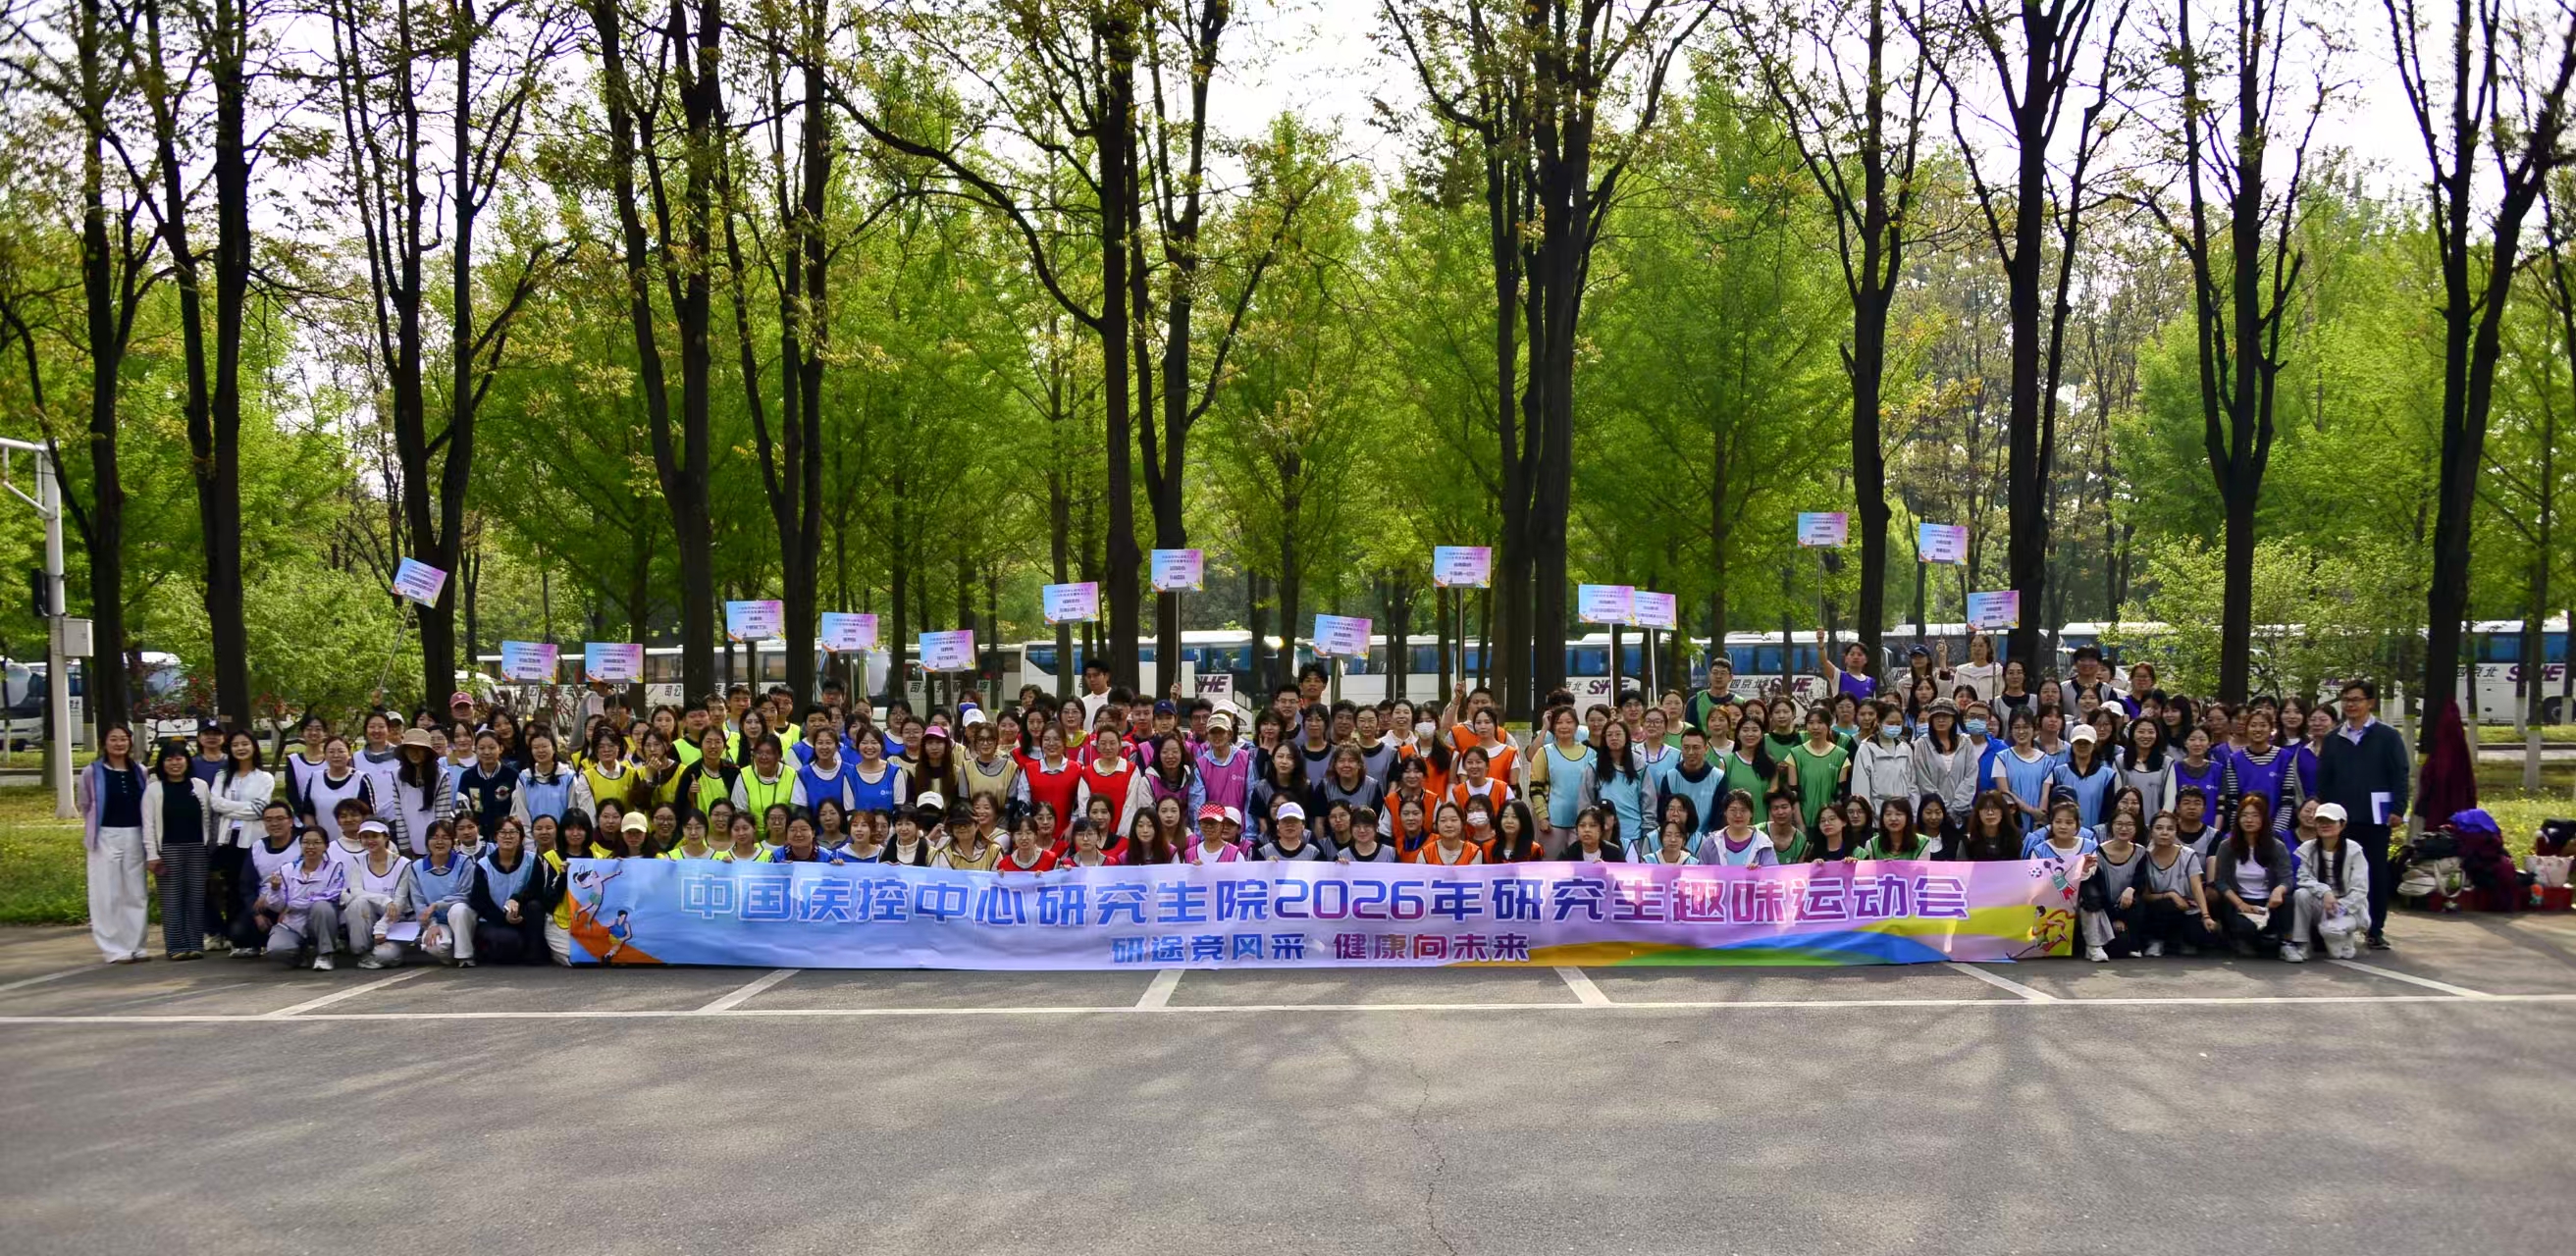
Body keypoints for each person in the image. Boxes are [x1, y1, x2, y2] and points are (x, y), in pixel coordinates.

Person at [2313, 680, 2408, 951]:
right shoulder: (2333, 738)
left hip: (2375, 817)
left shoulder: (2387, 736)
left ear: (2370, 703)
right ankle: (2336, 926)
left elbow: (2400, 774)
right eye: (2346, 700)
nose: (2350, 705)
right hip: (2340, 820)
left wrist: (2398, 809)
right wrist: (2324, 813)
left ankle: (2375, 929)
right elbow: (2324, 779)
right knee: (2336, 873)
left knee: (2375, 873)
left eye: (2356, 699)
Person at [77, 724, 152, 964]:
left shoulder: (140, 771)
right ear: (104, 742)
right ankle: (113, 948)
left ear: (130, 742)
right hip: (105, 836)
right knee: (107, 892)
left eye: (123, 739)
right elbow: (86, 804)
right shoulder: (92, 772)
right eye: (113, 739)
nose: (119, 744)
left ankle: (136, 945)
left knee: (136, 892)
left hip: (135, 834)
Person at [141, 743, 216, 961]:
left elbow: (209, 819)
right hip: (168, 850)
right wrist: (152, 855)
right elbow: (148, 825)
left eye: (179, 758)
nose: (175, 763)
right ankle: (176, 947)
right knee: (172, 900)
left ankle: (195, 945)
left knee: (196, 899)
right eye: (169, 759)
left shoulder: (200, 786)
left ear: (187, 761)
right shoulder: (154, 790)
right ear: (162, 764)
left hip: (197, 849)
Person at [2209, 795, 2296, 958]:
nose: (2249, 820)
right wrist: (2241, 903)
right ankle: (2239, 939)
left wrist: (2279, 890)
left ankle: (2287, 943)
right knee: (2247, 928)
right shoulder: (2227, 846)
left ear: (2263, 819)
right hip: (2240, 901)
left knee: (2289, 901)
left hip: (2268, 902)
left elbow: (2287, 877)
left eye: (2255, 815)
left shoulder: (2277, 846)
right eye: (2244, 815)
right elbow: (2220, 881)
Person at [2289, 802, 2371, 962]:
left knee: (2334, 946)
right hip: (2323, 902)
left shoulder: (2354, 850)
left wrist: (2339, 907)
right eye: (2320, 821)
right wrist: (2325, 891)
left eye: (2330, 821)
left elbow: (2360, 889)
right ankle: (2303, 944)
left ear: (2342, 824)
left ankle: (2344, 937)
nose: (2324, 825)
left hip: (2349, 908)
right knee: (2301, 894)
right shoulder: (2308, 848)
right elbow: (2303, 878)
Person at [257, 826, 347, 969]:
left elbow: (332, 895)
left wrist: (292, 905)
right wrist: (275, 890)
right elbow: (277, 906)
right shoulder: (287, 869)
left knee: (321, 906)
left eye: (316, 842)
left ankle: (325, 954)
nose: (310, 847)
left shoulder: (335, 867)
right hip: (293, 923)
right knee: (276, 950)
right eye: (306, 842)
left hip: (320, 920)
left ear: (326, 846)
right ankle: (304, 955)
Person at [2136, 812, 2217, 957]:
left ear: (2176, 832)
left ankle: (2180, 940)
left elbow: (2197, 887)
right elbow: (2146, 895)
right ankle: (2157, 940)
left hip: (2188, 907)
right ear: (2151, 832)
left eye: (2170, 829)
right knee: (2165, 905)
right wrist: (2171, 895)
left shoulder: (2187, 854)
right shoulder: (2144, 857)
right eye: (2159, 828)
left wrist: (2206, 916)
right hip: (2161, 908)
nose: (2164, 833)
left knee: (2201, 936)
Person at [230, 803, 303, 957]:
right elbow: (246, 886)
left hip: (295, 904)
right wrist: (256, 914)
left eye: (280, 818)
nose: (274, 823)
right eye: (268, 820)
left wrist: (287, 908)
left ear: (291, 821)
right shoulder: (257, 848)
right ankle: (263, 943)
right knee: (238, 931)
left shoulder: (302, 845)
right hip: (265, 906)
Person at [342, 819, 415, 969]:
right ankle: (362, 952)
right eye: (365, 836)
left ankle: (384, 953)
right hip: (368, 920)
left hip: (394, 922)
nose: (370, 840)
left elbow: (399, 902)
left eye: (375, 836)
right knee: (358, 903)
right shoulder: (357, 861)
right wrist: (385, 900)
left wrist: (381, 928)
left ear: (386, 837)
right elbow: (356, 892)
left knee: (386, 955)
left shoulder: (403, 864)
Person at [2079, 811, 2151, 961]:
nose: (2124, 828)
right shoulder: (2098, 852)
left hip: (2127, 907)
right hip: (2104, 909)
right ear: (2111, 826)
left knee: (2138, 901)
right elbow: (2099, 889)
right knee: (2118, 947)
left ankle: (2134, 944)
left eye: (2129, 824)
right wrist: (2114, 918)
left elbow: (2140, 881)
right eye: (2119, 824)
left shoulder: (2140, 851)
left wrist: (2130, 889)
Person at [409, 821, 480, 967]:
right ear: (427, 841)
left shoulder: (464, 862)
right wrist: (431, 925)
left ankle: (465, 957)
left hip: (464, 919)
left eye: (445, 837)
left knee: (458, 909)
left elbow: (466, 894)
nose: (439, 842)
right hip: (438, 921)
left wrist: (437, 905)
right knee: (434, 945)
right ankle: (454, 956)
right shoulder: (416, 867)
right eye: (434, 837)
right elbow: (418, 902)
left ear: (453, 841)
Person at [511, 730, 594, 826]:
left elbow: (572, 810)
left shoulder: (568, 776)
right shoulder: (524, 777)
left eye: (544, 746)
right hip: (532, 834)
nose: (540, 750)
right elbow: (522, 813)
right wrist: (529, 835)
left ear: (554, 749)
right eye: (536, 747)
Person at [1947, 791, 2024, 862]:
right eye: (1985, 809)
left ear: (2002, 812)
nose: (1990, 813)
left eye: (1995, 808)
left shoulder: (2013, 838)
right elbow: (1961, 868)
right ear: (1978, 813)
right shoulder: (1967, 842)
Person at [1415, 802, 1486, 866]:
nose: (1448, 825)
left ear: (1462, 823)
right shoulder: (1426, 853)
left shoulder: (1474, 852)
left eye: (1454, 820)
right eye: (1443, 820)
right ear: (1436, 825)